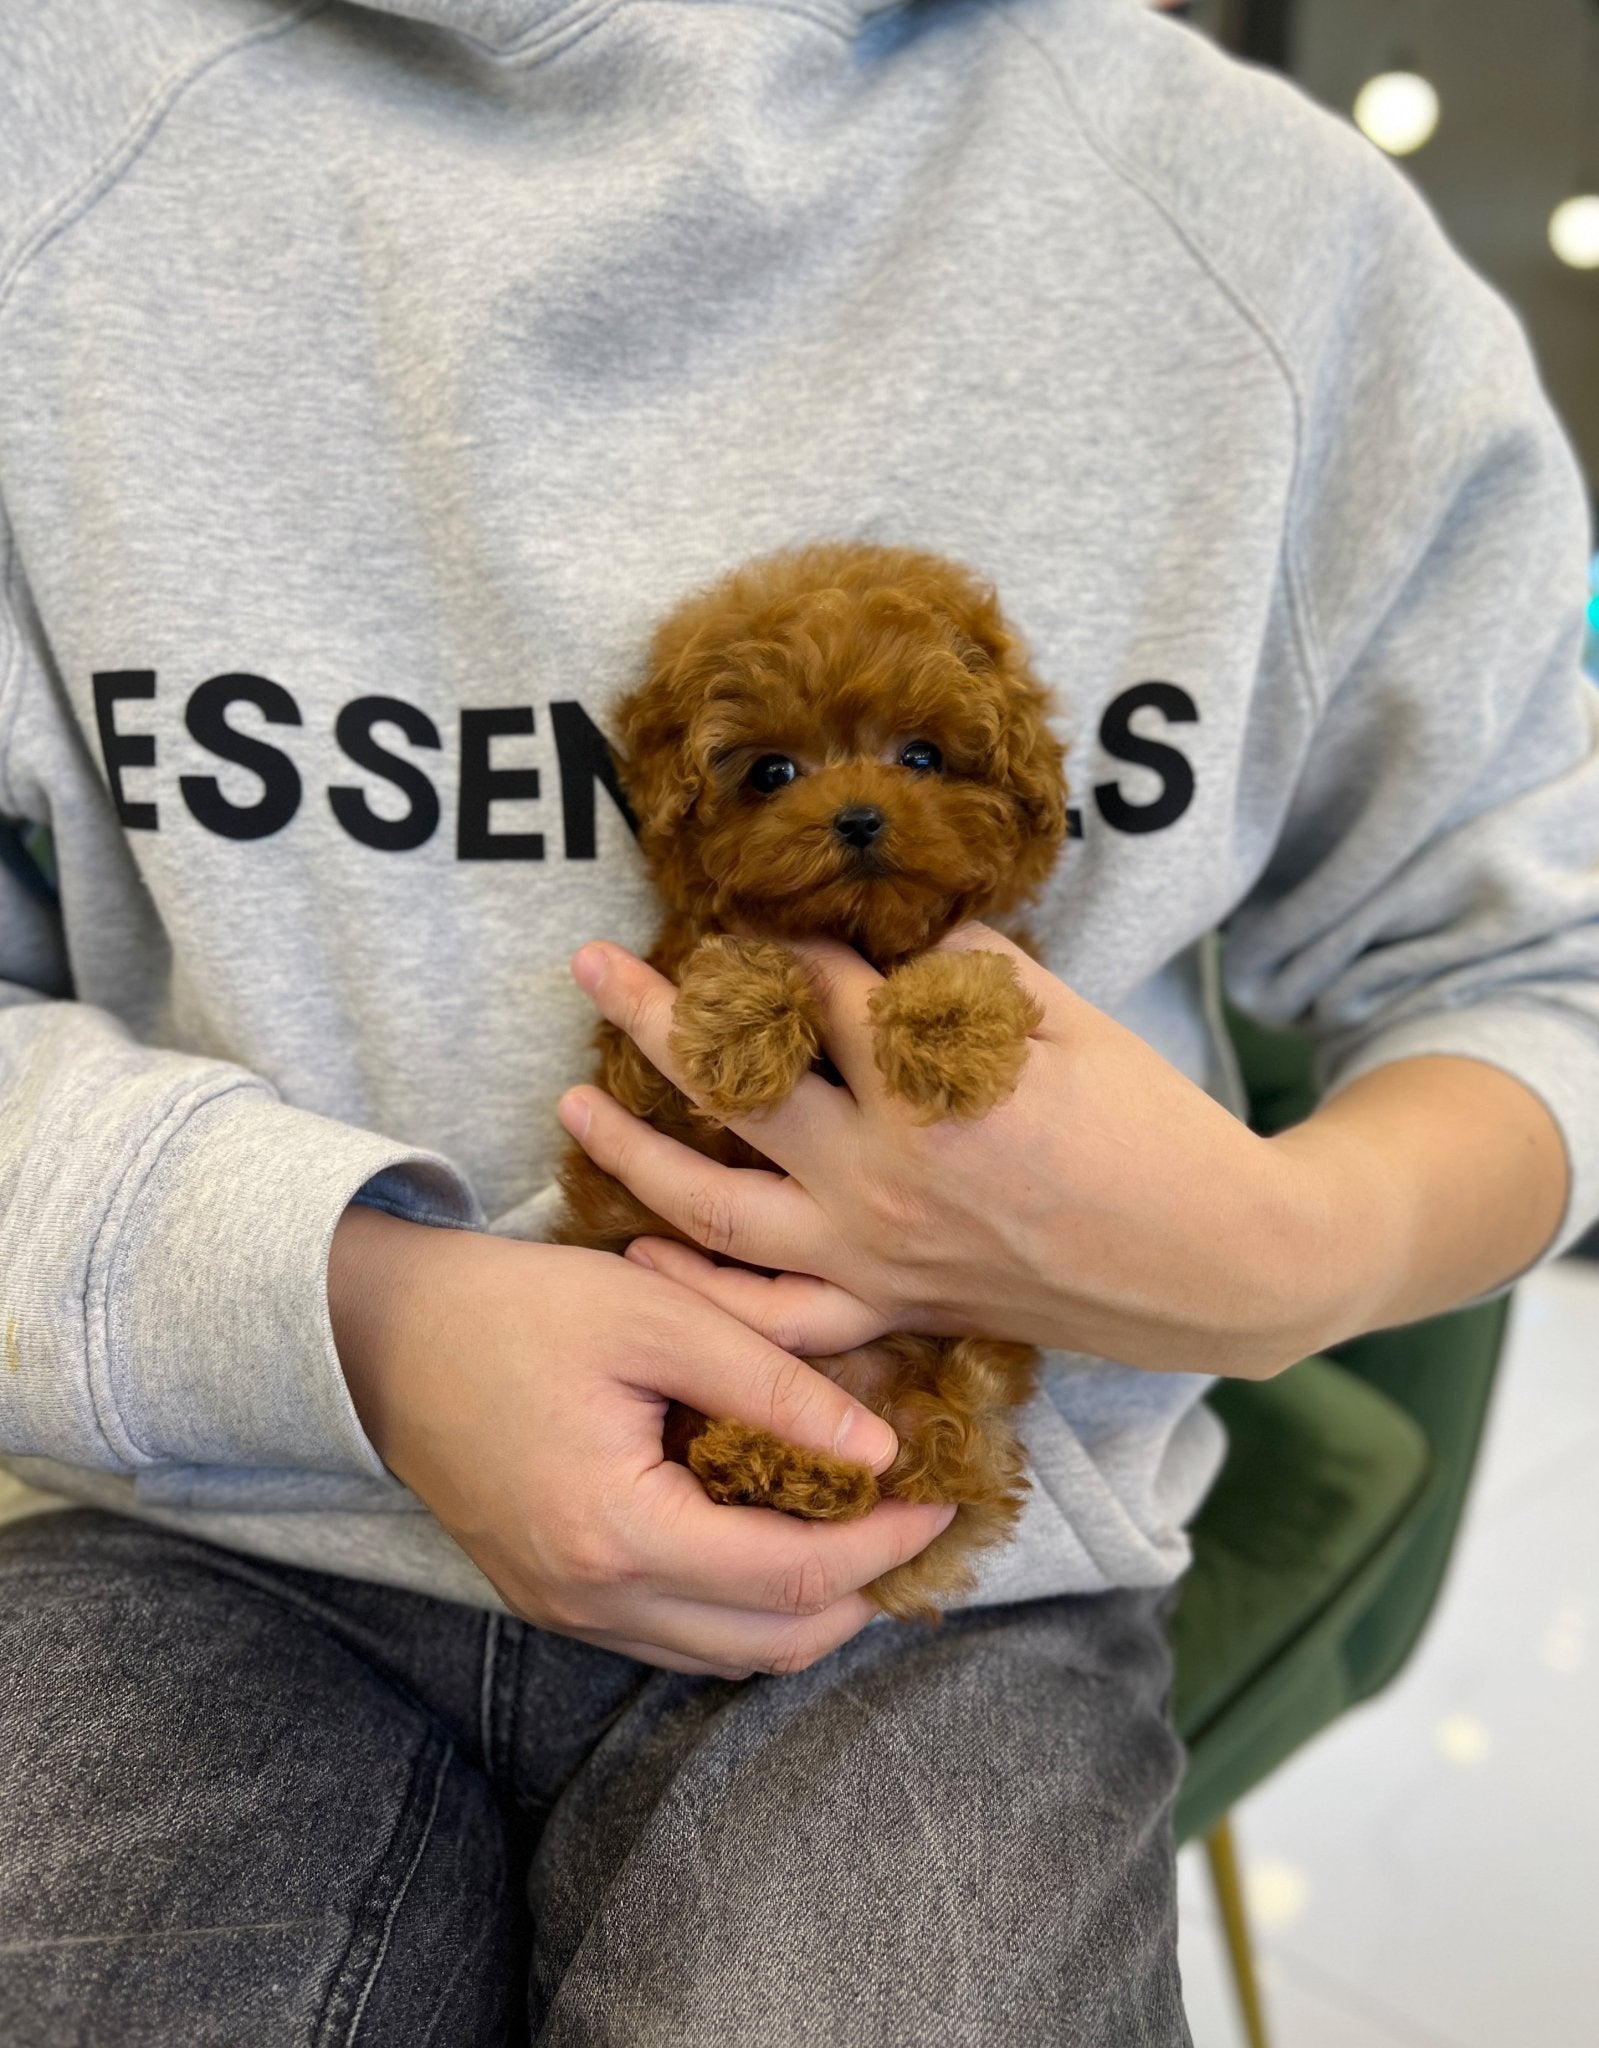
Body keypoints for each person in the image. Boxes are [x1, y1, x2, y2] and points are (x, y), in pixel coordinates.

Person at [1, 0, 1595, 2039]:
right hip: (200, 1504)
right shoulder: (51, 146)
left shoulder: (1270, 241)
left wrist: (1297, 1248)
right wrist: (357, 1311)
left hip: (940, 1576)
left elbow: (1539, 957)